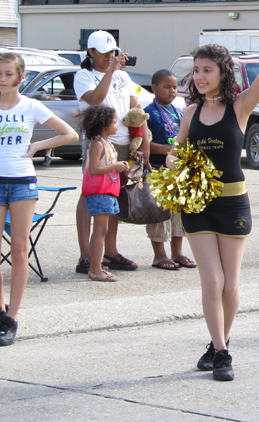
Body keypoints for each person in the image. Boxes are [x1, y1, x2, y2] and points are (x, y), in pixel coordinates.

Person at [171, 37, 259, 381]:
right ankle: (223, 353)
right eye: (196, 70)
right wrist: (172, 162)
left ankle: (218, 342)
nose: (199, 76)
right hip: (197, 206)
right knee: (211, 280)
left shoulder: (240, 106)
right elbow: (176, 150)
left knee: (230, 284)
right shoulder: (190, 112)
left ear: (222, 72)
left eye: (207, 70)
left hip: (233, 203)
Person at [0, 52, 78, 346]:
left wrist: (38, 146)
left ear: (21, 78)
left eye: (8, 74)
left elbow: (69, 134)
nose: (2, 79)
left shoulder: (31, 106)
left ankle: (12, 316)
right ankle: (0, 309)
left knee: (19, 250)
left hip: (22, 182)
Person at [74, 30, 149, 274]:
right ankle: (86, 256)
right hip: (98, 140)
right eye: (105, 53)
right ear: (91, 52)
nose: (110, 57)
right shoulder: (83, 75)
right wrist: (110, 71)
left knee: (112, 195)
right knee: (90, 195)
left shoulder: (123, 77)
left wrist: (142, 141)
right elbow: (96, 99)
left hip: (123, 140)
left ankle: (110, 252)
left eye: (113, 53)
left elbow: (135, 108)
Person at [144, 70, 195, 271]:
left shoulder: (179, 112)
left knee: (178, 214)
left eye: (174, 87)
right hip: (157, 170)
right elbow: (145, 144)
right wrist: (170, 150)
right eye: (167, 87)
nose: (172, 91)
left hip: (177, 170)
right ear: (154, 88)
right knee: (159, 214)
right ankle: (159, 255)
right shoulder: (148, 113)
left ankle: (178, 252)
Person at [78, 105, 128, 283]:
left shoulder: (107, 143)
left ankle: (96, 265)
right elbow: (93, 169)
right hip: (99, 193)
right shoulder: (97, 144)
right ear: (103, 124)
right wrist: (115, 166)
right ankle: (95, 269)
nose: (117, 125)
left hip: (107, 192)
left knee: (102, 230)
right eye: (114, 122)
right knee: (100, 230)